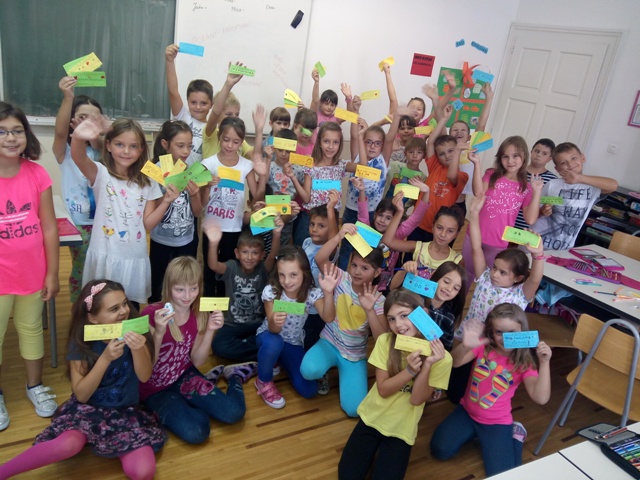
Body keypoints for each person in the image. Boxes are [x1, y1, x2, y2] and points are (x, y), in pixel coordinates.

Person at [0, 280, 165, 479]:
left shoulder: (136, 333)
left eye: (124, 304)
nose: (124, 311)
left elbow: (145, 376)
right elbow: (82, 395)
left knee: (143, 472)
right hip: (88, 408)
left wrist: (138, 349)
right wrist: (105, 359)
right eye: (114, 309)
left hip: (126, 411)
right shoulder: (81, 341)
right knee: (68, 445)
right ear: (93, 318)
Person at [338, 289, 452, 480]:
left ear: (423, 314)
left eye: (404, 315)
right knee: (347, 476)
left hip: (401, 429)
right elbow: (383, 390)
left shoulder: (442, 358)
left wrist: (427, 365)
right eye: (391, 319)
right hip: (372, 417)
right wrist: (410, 371)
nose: (398, 324)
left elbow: (416, 400)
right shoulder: (385, 341)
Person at [140, 257, 254, 445]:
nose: (187, 296)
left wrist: (210, 330)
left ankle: (235, 375)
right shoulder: (151, 314)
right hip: (154, 390)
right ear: (168, 287)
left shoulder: (198, 312)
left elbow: (198, 361)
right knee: (197, 432)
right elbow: (147, 368)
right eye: (180, 289)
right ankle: (189, 400)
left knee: (234, 413)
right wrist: (158, 333)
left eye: (193, 288)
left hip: (184, 374)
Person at [430, 303, 552, 477]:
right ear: (492, 332)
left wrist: (545, 363)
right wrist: (465, 346)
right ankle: (475, 434)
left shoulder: (524, 363)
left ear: (522, 331)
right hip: (467, 412)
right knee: (440, 450)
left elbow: (540, 398)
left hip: (497, 422)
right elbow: (455, 363)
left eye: (511, 332)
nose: (504, 337)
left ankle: (515, 438)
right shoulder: (484, 346)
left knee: (502, 475)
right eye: (499, 332)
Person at [70, 116, 178, 308]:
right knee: (101, 309)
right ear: (108, 145)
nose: (126, 151)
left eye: (133, 146)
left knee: (130, 309)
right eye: (119, 144)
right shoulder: (101, 173)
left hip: (134, 257)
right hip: (105, 255)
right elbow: (79, 157)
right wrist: (78, 136)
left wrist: (166, 202)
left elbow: (148, 224)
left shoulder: (148, 181)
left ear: (142, 149)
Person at [448, 194, 544, 403]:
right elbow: (476, 247)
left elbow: (535, 280)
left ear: (518, 278)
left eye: (502, 273)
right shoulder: (484, 277)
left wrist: (538, 256)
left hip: (493, 346)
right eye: (494, 268)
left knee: (481, 381)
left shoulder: (520, 294)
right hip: (470, 335)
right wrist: (474, 214)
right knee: (455, 380)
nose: (494, 274)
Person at [0, 102, 59, 430]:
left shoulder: (37, 173)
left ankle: (34, 385)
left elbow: (49, 226)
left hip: (32, 274)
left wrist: (52, 273)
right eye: (2, 131)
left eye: (17, 131)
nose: (10, 138)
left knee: (31, 328)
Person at [300, 224, 387, 417]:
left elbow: (382, 338)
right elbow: (319, 258)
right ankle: (326, 370)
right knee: (308, 370)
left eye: (365, 268)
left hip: (354, 356)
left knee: (354, 410)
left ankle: (346, 375)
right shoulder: (340, 277)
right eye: (354, 265)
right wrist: (338, 236)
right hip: (329, 342)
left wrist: (370, 310)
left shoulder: (379, 300)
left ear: (377, 272)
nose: (357, 271)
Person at [255, 247, 339, 408]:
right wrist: (275, 321)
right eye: (282, 275)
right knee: (274, 342)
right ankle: (263, 380)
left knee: (309, 390)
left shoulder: (312, 293)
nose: (286, 281)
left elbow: (328, 317)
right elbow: (272, 330)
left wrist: (328, 293)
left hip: (293, 343)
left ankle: (276, 360)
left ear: (304, 273)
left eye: (293, 275)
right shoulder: (271, 291)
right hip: (269, 337)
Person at [200, 108, 268, 296]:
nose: (230, 145)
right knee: (208, 271)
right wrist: (206, 187)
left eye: (236, 141)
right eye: (226, 140)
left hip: (233, 229)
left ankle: (224, 309)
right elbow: (202, 203)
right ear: (219, 138)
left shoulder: (246, 166)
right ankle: (208, 308)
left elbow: (257, 196)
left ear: (242, 142)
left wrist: (263, 176)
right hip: (211, 228)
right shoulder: (209, 163)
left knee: (228, 272)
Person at [462, 138, 543, 282]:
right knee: (467, 274)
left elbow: (530, 219)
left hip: (498, 243)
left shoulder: (526, 187)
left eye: (515, 156)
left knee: (489, 280)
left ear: (524, 157)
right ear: (500, 158)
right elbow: (479, 193)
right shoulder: (492, 174)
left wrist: (536, 192)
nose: (510, 161)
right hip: (474, 234)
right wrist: (477, 164)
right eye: (505, 156)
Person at [52, 76, 103, 302]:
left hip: (103, 222)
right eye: (82, 117)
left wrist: (97, 136)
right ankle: (79, 307)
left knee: (101, 268)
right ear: (72, 119)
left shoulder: (103, 150)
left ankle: (100, 305)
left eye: (94, 119)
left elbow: (103, 146)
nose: (88, 123)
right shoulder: (64, 151)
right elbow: (60, 133)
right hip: (79, 223)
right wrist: (68, 97)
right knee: (82, 268)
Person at [203, 222, 282, 362]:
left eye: (255, 253)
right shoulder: (231, 267)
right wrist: (213, 244)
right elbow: (213, 265)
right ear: (237, 253)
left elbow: (273, 256)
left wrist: (276, 234)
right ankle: (258, 353)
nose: (249, 257)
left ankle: (250, 350)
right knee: (218, 346)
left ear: (262, 255)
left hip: (256, 324)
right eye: (245, 252)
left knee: (273, 339)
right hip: (232, 325)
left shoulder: (263, 268)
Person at [148, 120, 203, 303]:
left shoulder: (190, 170)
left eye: (189, 146)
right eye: (180, 146)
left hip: (186, 240)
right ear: (165, 144)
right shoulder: (155, 171)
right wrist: (166, 195)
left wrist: (194, 195)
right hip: (161, 240)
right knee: (159, 286)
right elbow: (151, 213)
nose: (186, 151)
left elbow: (197, 212)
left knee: (185, 284)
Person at [290, 122, 365, 246]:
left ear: (340, 144)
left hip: (331, 220)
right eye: (326, 141)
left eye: (335, 142)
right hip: (310, 220)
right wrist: (293, 178)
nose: (331, 146)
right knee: (303, 253)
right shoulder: (311, 164)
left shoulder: (341, 165)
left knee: (328, 253)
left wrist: (361, 137)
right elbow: (306, 198)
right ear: (319, 142)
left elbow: (363, 166)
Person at [533, 142, 618, 250]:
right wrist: (542, 211)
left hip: (563, 249)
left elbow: (613, 185)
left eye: (573, 158)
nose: (570, 164)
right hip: (535, 243)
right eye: (563, 163)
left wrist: (578, 178)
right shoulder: (552, 185)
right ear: (557, 169)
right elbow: (533, 213)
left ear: (583, 158)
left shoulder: (591, 187)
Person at [355, 178, 431, 292]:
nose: (382, 220)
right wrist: (362, 191)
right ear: (375, 214)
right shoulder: (368, 231)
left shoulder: (398, 234)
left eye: (388, 218)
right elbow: (362, 214)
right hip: (363, 282)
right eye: (380, 215)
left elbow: (416, 219)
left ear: (395, 219)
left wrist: (426, 193)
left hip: (384, 284)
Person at [411, 105, 469, 243]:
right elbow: (431, 142)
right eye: (442, 154)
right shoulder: (435, 166)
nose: (447, 156)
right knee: (410, 254)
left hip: (437, 230)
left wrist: (458, 151)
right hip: (418, 222)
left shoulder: (462, 176)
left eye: (451, 151)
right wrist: (443, 119)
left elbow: (451, 176)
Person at [385, 206, 465, 289]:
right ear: (433, 227)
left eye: (450, 231)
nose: (443, 234)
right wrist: (399, 213)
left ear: (456, 234)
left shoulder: (457, 260)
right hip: (408, 296)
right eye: (439, 228)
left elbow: (457, 290)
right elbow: (387, 241)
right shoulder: (419, 247)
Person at [165, 43, 214, 166]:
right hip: (173, 172)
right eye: (193, 102)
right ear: (187, 101)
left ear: (211, 104)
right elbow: (173, 91)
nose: (198, 107)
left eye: (203, 103)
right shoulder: (183, 117)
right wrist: (170, 61)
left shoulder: (212, 129)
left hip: (196, 176)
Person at [202, 63, 253, 160]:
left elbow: (253, 155)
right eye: (229, 114)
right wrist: (228, 84)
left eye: (237, 114)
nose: (234, 118)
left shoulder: (237, 136)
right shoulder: (211, 133)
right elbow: (215, 112)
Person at [422, 262, 467, 351]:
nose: (449, 289)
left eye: (456, 288)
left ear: (458, 293)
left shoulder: (448, 319)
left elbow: (446, 351)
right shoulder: (417, 299)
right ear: (436, 276)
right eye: (446, 282)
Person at [514, 138, 557, 230]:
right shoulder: (516, 171)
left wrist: (542, 203)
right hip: (508, 222)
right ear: (531, 152)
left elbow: (556, 201)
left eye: (544, 153)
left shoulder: (552, 180)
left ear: (550, 158)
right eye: (537, 151)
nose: (539, 155)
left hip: (531, 228)